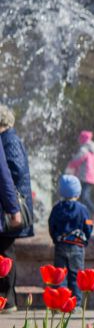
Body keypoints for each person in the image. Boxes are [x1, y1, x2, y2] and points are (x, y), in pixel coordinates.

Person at [48, 175, 94, 306]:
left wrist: (55, 239)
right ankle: (76, 304)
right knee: (76, 276)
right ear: (78, 192)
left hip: (61, 246)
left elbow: (51, 225)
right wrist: (85, 239)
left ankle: (59, 302)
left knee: (60, 276)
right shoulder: (83, 209)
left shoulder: (56, 209)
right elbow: (89, 225)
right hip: (77, 247)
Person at [0, 105, 26, 313]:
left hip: (5, 207)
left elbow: (8, 175)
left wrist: (12, 206)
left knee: (6, 252)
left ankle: (7, 299)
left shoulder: (8, 140)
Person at [66, 131, 94, 222]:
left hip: (83, 176)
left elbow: (77, 161)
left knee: (84, 197)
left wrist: (69, 167)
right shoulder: (92, 151)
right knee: (83, 197)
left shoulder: (84, 150)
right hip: (90, 177)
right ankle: (85, 216)